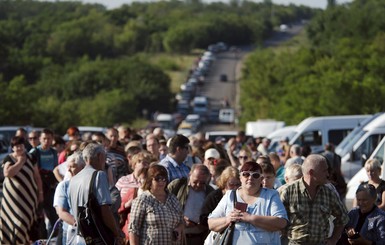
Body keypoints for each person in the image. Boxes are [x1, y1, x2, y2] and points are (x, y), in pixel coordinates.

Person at [208, 161, 288, 244]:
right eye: (246, 174)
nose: (250, 178)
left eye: (255, 175)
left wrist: (250, 218)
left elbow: (281, 222)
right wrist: (228, 219)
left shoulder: (271, 195)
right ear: (240, 178)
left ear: (261, 179)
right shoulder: (230, 195)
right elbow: (211, 223)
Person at [280, 154, 349, 244]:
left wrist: (334, 239)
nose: (328, 174)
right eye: (324, 171)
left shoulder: (328, 193)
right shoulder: (288, 191)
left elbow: (343, 218)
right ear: (311, 173)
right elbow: (277, 220)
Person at [68, 143, 124, 245]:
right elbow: (105, 209)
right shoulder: (98, 175)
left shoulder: (74, 179)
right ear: (100, 156)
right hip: (97, 236)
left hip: (80, 237)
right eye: (105, 157)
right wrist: (117, 232)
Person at [0, 136, 43, 244]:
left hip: (28, 198)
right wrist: (20, 162)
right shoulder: (8, 159)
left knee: (25, 221)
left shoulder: (31, 157)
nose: (19, 148)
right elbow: (7, 173)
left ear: (24, 146)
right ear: (12, 148)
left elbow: (37, 176)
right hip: (12, 200)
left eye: (21, 145)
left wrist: (40, 192)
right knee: (13, 221)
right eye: (16, 146)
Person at [129, 164, 184, 245]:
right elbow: (133, 229)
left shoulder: (173, 199)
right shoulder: (142, 200)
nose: (161, 181)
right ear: (150, 180)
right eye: (157, 179)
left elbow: (181, 221)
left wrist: (179, 228)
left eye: (164, 179)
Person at [168, 164, 214, 245]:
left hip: (200, 238)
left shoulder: (210, 192)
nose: (198, 185)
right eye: (195, 182)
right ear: (190, 175)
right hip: (177, 236)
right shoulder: (177, 186)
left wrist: (205, 223)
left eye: (202, 183)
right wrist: (180, 219)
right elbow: (164, 207)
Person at [30, 128, 60, 237]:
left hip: (50, 186)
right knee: (39, 215)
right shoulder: (34, 152)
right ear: (40, 139)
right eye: (44, 139)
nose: (46, 141)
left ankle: (53, 238)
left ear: (52, 139)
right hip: (38, 187)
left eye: (49, 139)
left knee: (53, 214)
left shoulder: (53, 152)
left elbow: (56, 168)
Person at [115, 151, 151, 239]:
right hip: (125, 223)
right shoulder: (123, 180)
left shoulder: (150, 183)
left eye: (147, 162)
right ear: (134, 164)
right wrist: (127, 204)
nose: (145, 165)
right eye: (141, 161)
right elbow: (113, 203)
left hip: (145, 225)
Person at [53, 151, 85, 245]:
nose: (69, 170)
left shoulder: (89, 185)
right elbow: (61, 212)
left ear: (82, 168)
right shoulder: (64, 186)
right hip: (71, 232)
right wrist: (80, 225)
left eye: (73, 166)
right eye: (68, 167)